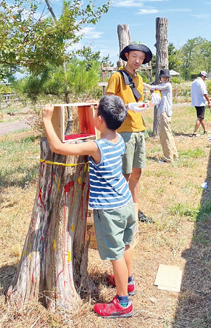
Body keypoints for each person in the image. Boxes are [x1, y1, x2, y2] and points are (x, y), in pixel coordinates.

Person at [42, 96, 136, 318]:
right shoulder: (119, 140)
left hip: (110, 210)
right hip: (126, 202)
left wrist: (47, 119)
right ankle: (128, 282)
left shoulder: (96, 147)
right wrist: (100, 113)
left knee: (116, 254)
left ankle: (123, 302)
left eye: (96, 114)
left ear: (100, 119)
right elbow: (104, 128)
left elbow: (58, 146)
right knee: (126, 245)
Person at [106, 43, 153, 223]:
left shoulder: (139, 79)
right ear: (126, 55)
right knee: (123, 174)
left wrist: (149, 104)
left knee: (137, 173)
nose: (138, 61)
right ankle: (119, 212)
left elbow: (139, 103)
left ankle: (135, 210)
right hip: (123, 130)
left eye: (141, 58)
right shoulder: (117, 76)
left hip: (138, 129)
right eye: (134, 56)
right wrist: (126, 107)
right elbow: (108, 103)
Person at [143, 69, 178, 163]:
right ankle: (173, 155)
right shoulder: (161, 85)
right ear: (160, 77)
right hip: (164, 112)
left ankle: (168, 158)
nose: (165, 79)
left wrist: (141, 82)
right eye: (164, 77)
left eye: (167, 77)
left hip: (165, 113)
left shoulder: (167, 85)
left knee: (164, 135)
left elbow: (151, 87)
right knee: (168, 134)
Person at [190, 71, 211, 137]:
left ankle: (205, 130)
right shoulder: (201, 83)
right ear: (202, 76)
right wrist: (209, 101)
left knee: (201, 117)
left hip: (195, 102)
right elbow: (204, 93)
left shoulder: (193, 82)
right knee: (199, 118)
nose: (205, 78)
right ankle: (195, 133)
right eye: (205, 77)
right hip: (200, 102)